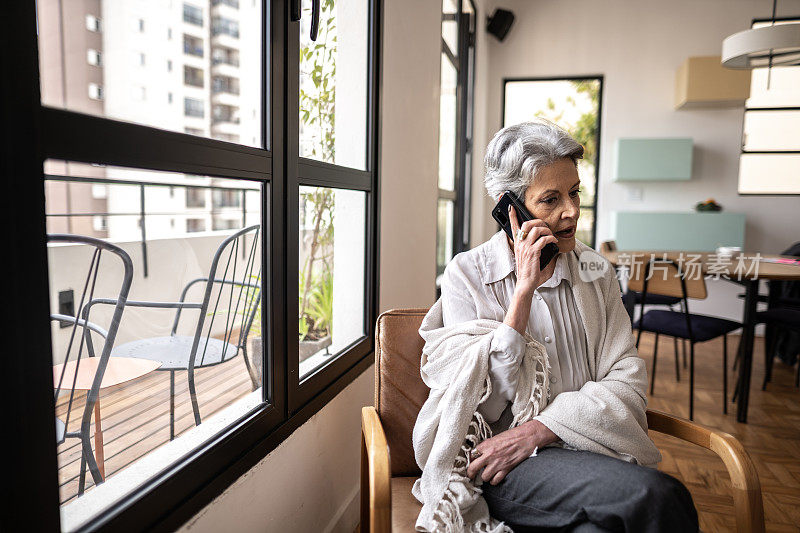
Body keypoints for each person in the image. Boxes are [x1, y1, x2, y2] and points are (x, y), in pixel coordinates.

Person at [437, 119, 698, 532]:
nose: (571, 211)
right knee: (658, 496)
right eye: (551, 199)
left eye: (574, 192)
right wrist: (522, 295)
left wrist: (541, 428)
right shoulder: (466, 277)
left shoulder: (596, 271)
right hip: (507, 465)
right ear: (511, 210)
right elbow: (480, 404)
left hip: (591, 449)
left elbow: (627, 381)